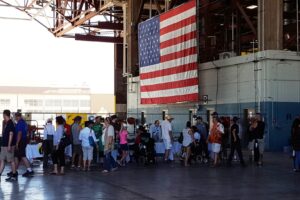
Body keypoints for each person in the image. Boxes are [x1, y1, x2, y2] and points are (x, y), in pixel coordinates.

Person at [14, 112, 34, 177]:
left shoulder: (20, 123)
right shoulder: (24, 123)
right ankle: (14, 171)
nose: (15, 118)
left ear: (18, 116)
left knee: (23, 156)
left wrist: (17, 143)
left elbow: (19, 133)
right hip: (23, 140)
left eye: (15, 117)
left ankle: (30, 170)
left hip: (21, 141)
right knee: (16, 156)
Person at [0, 110, 18, 181]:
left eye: (3, 115)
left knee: (11, 161)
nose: (2, 116)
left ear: (5, 115)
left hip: (8, 146)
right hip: (4, 146)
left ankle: (14, 176)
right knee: (2, 160)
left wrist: (9, 145)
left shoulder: (10, 123)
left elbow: (11, 134)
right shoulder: (7, 123)